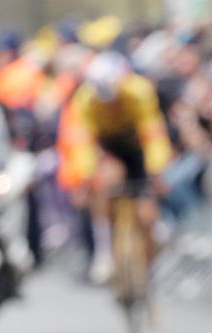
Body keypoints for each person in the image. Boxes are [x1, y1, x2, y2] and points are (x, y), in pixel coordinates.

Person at [68, 51, 172, 283]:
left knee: (146, 212)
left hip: (136, 146)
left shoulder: (140, 92)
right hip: (109, 146)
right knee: (104, 182)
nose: (111, 105)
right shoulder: (85, 99)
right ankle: (104, 250)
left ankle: (152, 244)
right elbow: (83, 143)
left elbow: (154, 135)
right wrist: (84, 178)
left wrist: (156, 170)